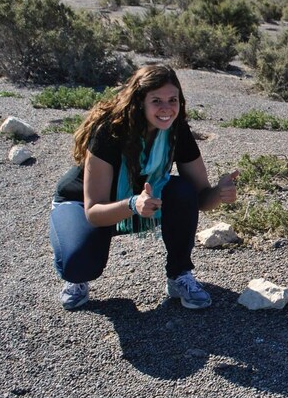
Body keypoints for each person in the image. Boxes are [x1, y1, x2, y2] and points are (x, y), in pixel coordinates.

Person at [49, 64, 239, 310]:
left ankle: (179, 275)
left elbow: (200, 198)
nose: (166, 108)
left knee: (181, 191)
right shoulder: (111, 131)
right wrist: (132, 204)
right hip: (82, 204)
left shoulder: (176, 130)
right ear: (140, 101)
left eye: (173, 100)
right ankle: (76, 277)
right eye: (156, 100)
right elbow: (94, 212)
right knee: (79, 264)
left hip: (140, 203)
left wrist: (219, 193)